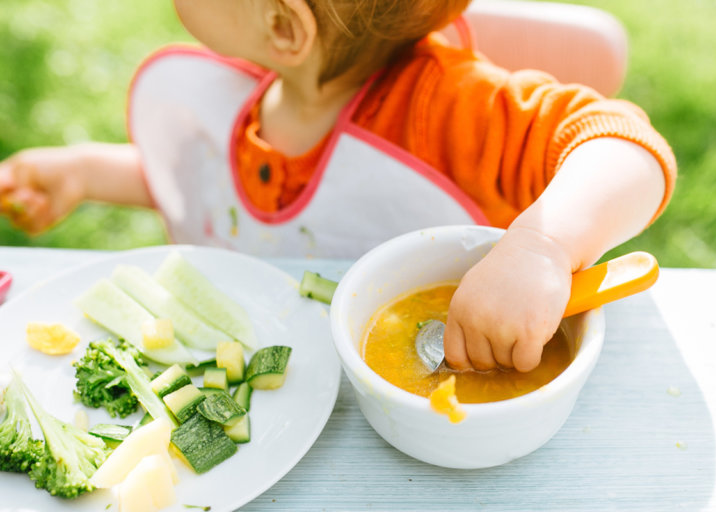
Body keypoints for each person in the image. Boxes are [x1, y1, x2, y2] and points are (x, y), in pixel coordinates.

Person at [0, 0, 676, 373]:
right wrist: (87, 172)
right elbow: (232, 198)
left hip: (440, 408)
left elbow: (627, 145)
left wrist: (542, 247)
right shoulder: (261, 89)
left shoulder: (448, 110)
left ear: (284, 26)